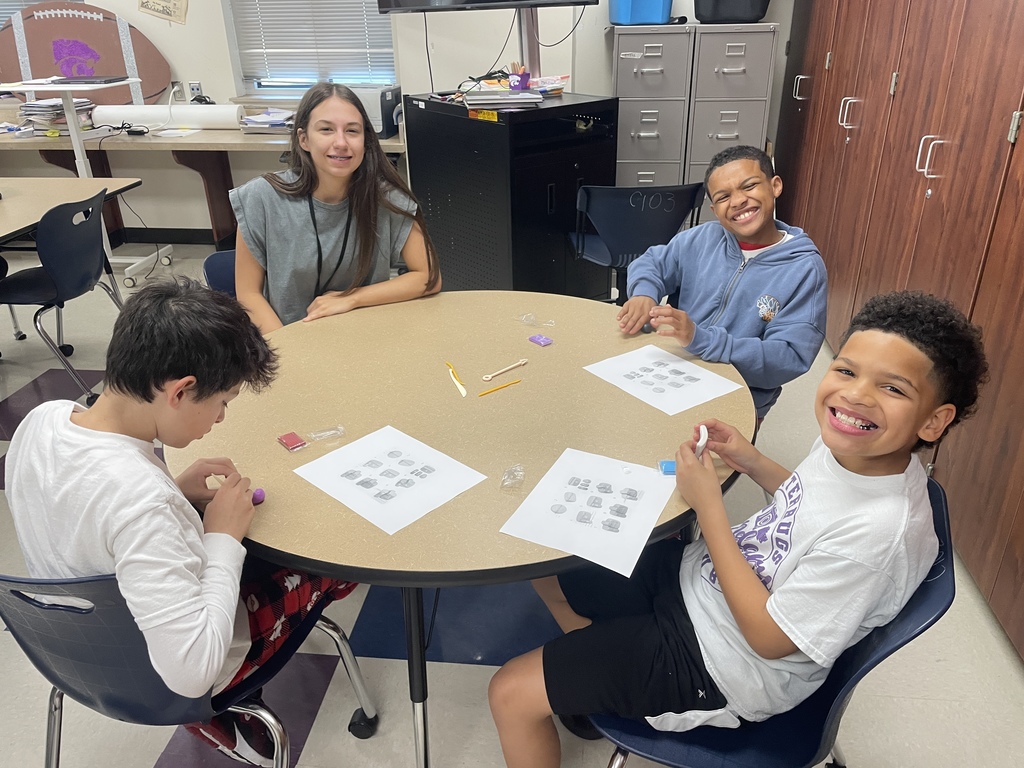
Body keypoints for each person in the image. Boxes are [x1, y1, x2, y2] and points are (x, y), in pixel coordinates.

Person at [489, 291, 987, 768]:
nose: (856, 395)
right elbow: (809, 501)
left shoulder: (881, 535)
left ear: (933, 421)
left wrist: (710, 508)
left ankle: (600, 680)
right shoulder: (856, 450)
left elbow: (769, 639)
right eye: (847, 370)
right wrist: (751, 461)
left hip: (722, 664)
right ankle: (596, 678)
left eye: (893, 387)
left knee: (509, 692)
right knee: (554, 557)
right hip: (699, 591)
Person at [5, 278, 357, 767]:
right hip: (169, 674)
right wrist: (220, 538)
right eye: (223, 402)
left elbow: (90, 510)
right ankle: (218, 714)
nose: (220, 418)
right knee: (337, 556)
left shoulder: (42, 420)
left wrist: (169, 487)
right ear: (181, 390)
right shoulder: (143, 503)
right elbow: (191, 671)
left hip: (74, 650)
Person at [616, 145, 827, 419]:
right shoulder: (702, 238)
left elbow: (789, 357)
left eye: (749, 186)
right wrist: (644, 293)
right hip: (670, 373)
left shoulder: (803, 269)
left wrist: (702, 339)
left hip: (738, 397)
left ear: (775, 186)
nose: (738, 201)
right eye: (724, 196)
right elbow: (652, 262)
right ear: (715, 210)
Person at [231, 82, 441, 333]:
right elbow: (248, 295)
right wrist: (289, 350)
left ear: (365, 140)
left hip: (363, 337)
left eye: (352, 131)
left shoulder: (388, 200)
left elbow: (428, 278)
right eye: (326, 129)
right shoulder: (261, 198)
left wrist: (351, 298)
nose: (341, 142)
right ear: (304, 139)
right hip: (286, 341)